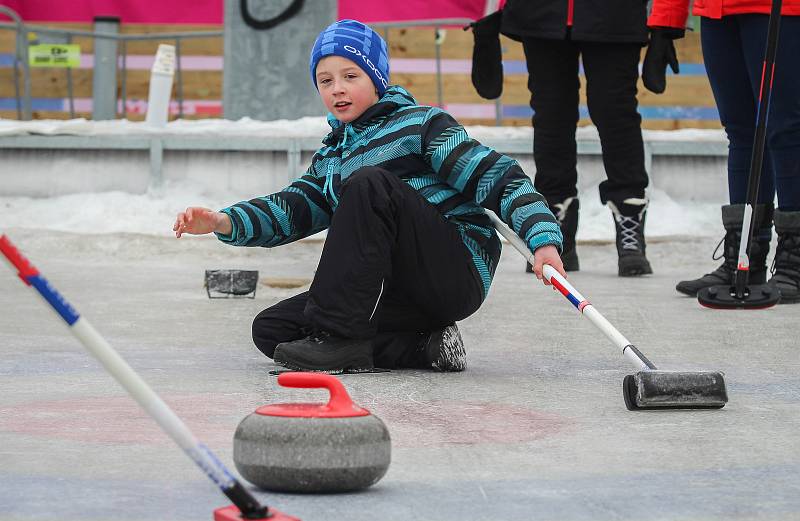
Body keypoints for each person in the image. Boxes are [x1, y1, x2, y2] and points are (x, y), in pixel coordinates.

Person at [173, 19, 566, 373]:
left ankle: (340, 340)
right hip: (392, 288)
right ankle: (423, 347)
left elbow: (497, 177)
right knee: (274, 331)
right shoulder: (332, 157)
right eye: (325, 81)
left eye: (350, 75)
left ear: (376, 78)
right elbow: (291, 209)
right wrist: (223, 221)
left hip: (454, 269)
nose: (337, 89)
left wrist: (542, 239)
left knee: (368, 184)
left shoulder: (421, 124)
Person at [648, 0, 800, 303]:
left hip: (778, 12)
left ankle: (794, 260)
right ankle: (744, 255)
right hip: (717, 12)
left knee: (785, 129)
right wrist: (666, 22)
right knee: (741, 131)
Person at [494, 0, 657, 277]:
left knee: (615, 111)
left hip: (616, 12)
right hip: (542, 13)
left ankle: (629, 219)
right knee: (551, 112)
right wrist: (490, 17)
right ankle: (556, 229)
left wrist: (666, 23)